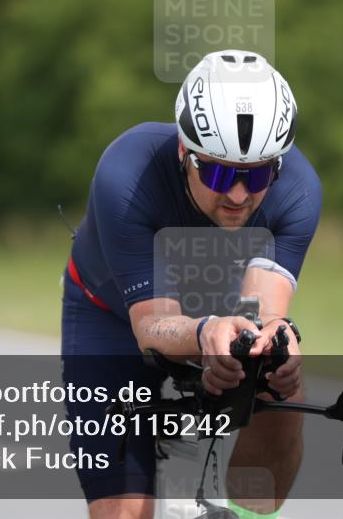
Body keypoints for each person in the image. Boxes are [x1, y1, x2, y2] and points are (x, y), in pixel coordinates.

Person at [61, 50, 322, 519]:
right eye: (219, 171)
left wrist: (273, 343)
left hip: (218, 314)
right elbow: (154, 326)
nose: (238, 195)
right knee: (124, 512)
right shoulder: (129, 171)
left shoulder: (298, 189)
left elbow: (264, 309)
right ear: (184, 151)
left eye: (257, 174)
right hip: (114, 318)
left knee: (282, 383)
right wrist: (204, 335)